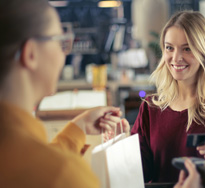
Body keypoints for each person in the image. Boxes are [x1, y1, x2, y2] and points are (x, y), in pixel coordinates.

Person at [0, 0, 130, 187]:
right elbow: (47, 170)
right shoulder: (63, 175)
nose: (64, 53)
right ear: (31, 54)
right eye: (61, 41)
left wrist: (79, 127)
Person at [131, 11, 205, 183]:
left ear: (203, 51)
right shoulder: (151, 107)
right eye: (169, 48)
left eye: (187, 49)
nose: (176, 58)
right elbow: (143, 172)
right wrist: (118, 149)